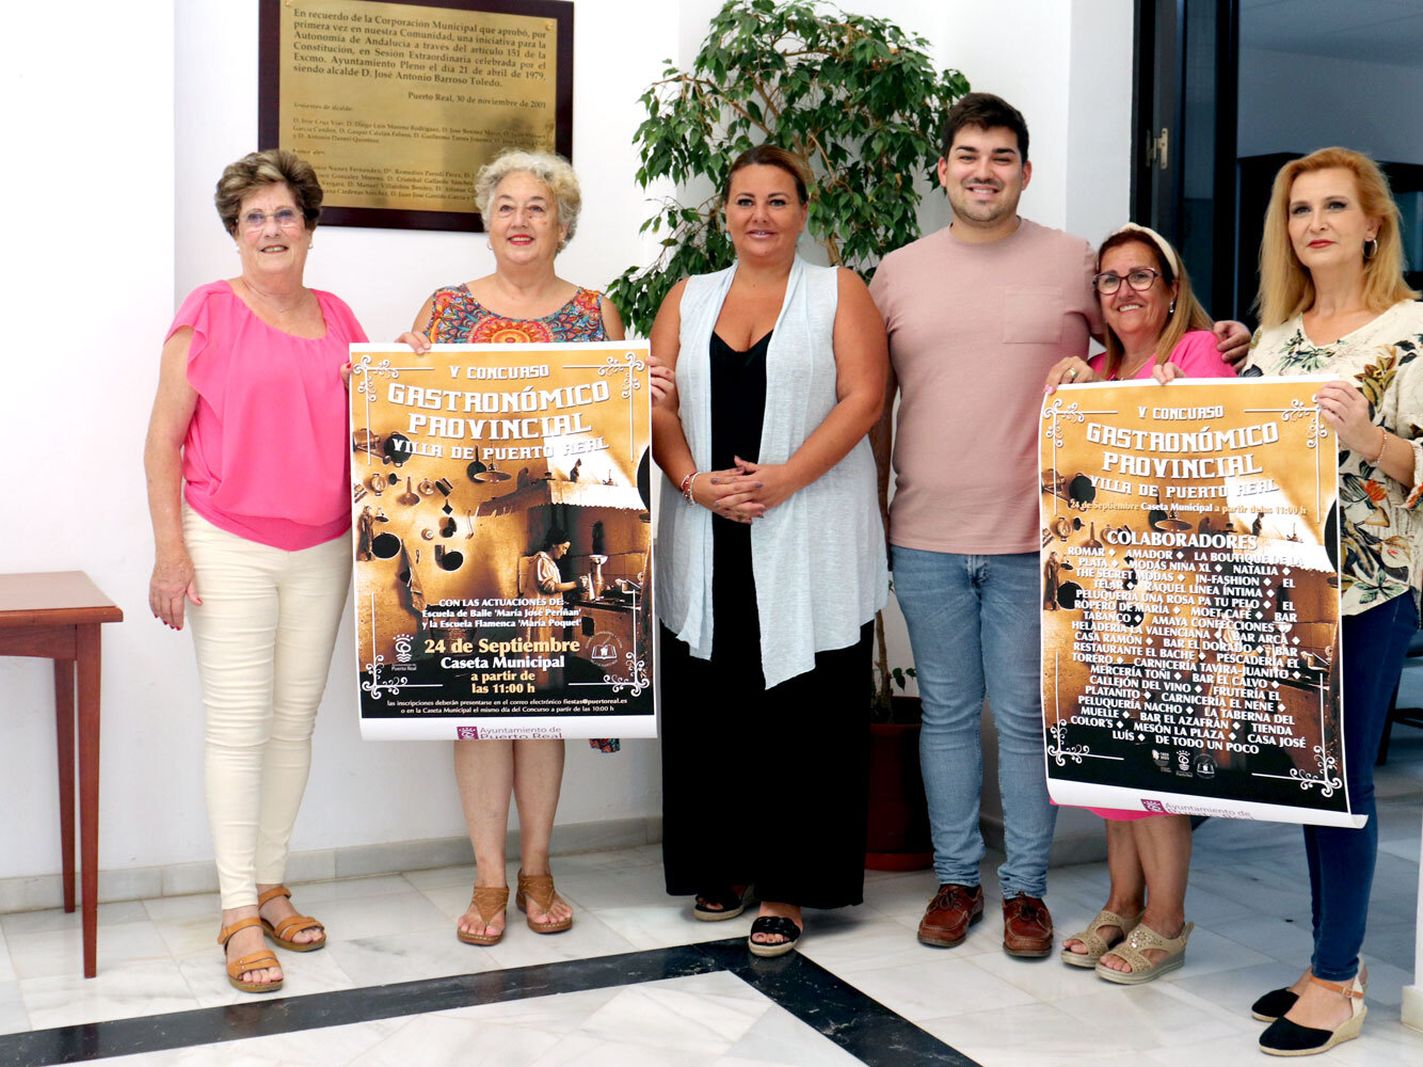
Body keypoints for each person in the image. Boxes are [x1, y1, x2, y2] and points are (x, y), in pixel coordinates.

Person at [869, 93, 1249, 958]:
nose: (983, 170)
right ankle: (957, 879)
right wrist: (874, 508)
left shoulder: (1074, 261)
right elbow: (877, 403)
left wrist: (1220, 337)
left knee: (1027, 721)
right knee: (946, 717)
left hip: (1044, 538)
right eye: (968, 155)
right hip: (925, 530)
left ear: (1025, 171)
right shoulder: (896, 270)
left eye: (1001, 156)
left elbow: (1141, 330)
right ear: (943, 169)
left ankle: (1026, 891)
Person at [1243, 147, 1423, 1056]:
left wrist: (1370, 434)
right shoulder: (1277, 339)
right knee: (1310, 784)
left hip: (1370, 592)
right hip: (1279, 585)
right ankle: (1324, 959)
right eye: (1301, 208)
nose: (1316, 223)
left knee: (1342, 785)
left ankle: (1339, 981)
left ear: (1374, 223)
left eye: (1335, 206)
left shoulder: (1415, 332)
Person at [649, 144, 888, 957]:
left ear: (802, 211)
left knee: (801, 707)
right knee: (714, 697)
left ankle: (787, 883)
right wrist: (690, 481)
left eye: (778, 201)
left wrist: (785, 478)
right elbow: (657, 403)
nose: (760, 215)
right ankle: (722, 861)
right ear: (723, 213)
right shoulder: (687, 296)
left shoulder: (837, 290)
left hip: (808, 527)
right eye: (745, 201)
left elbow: (865, 397)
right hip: (708, 529)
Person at [144, 149, 366, 993]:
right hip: (226, 542)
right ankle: (237, 909)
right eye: (253, 219)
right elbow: (162, 441)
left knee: (293, 721)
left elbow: (377, 419)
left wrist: (420, 369)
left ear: (309, 225)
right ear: (236, 234)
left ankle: (272, 883)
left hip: (321, 548)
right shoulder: (207, 312)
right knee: (238, 725)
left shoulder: (342, 315)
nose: (271, 230)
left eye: (284, 215)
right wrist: (171, 552)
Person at [399, 148, 625, 946]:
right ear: (486, 220)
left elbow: (612, 432)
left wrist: (643, 389)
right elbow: (405, 423)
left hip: (554, 536)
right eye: (507, 206)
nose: (521, 220)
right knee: (478, 707)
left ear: (562, 223)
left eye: (538, 207)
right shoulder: (446, 310)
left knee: (543, 706)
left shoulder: (595, 313)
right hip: (466, 540)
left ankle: (538, 868)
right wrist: (401, 368)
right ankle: (490, 878)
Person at [1054, 223, 1234, 983]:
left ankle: (1168, 919)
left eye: (1141, 275)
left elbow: (1219, 429)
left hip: (1173, 591)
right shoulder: (1091, 368)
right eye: (1109, 279)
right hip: (1099, 588)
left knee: (1157, 760)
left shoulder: (1196, 353)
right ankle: (1121, 900)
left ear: (1170, 287)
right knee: (1113, 752)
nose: (1125, 290)